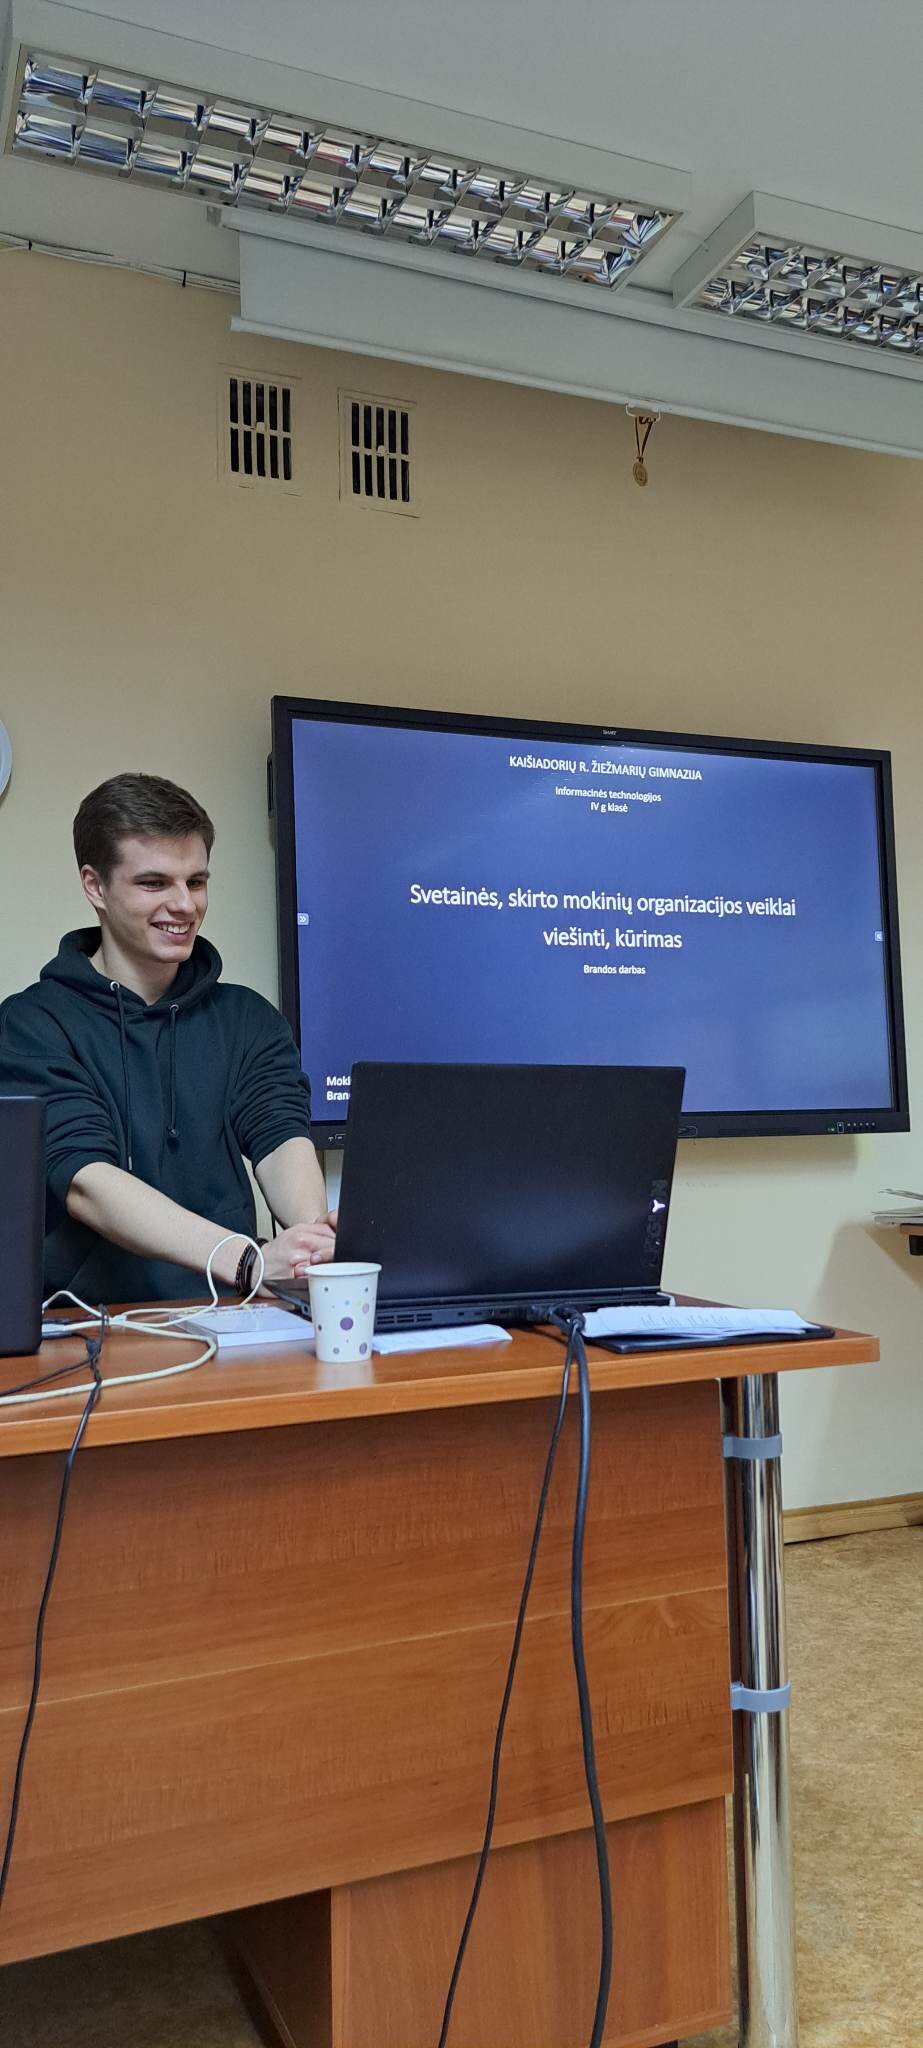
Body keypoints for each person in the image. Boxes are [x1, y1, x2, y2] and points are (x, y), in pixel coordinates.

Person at [0, 772, 336, 1302]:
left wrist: (310, 1242)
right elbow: (85, 1180)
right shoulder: (31, 1024)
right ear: (95, 886)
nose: (184, 905)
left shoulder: (247, 1018)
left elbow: (281, 1136)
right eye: (154, 883)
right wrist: (245, 1260)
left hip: (233, 1315)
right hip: (92, 1323)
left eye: (196, 882)